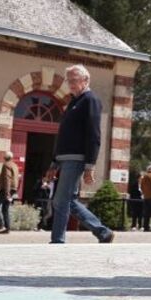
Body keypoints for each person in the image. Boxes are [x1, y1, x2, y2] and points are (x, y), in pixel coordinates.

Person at [45, 64, 115, 245]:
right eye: (69, 80)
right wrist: (54, 162)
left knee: (60, 201)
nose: (70, 84)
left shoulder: (90, 100)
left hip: (76, 158)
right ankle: (103, 232)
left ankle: (58, 241)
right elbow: (62, 135)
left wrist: (90, 166)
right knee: (68, 200)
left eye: (74, 80)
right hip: (63, 158)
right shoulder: (73, 102)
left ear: (86, 80)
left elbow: (94, 135)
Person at [0, 152, 19, 234]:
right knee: (5, 208)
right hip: (13, 188)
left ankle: (0, 224)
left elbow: (7, 178)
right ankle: (7, 228)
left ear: (5, 158)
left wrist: (7, 192)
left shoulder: (6, 165)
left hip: (7, 189)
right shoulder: (15, 165)